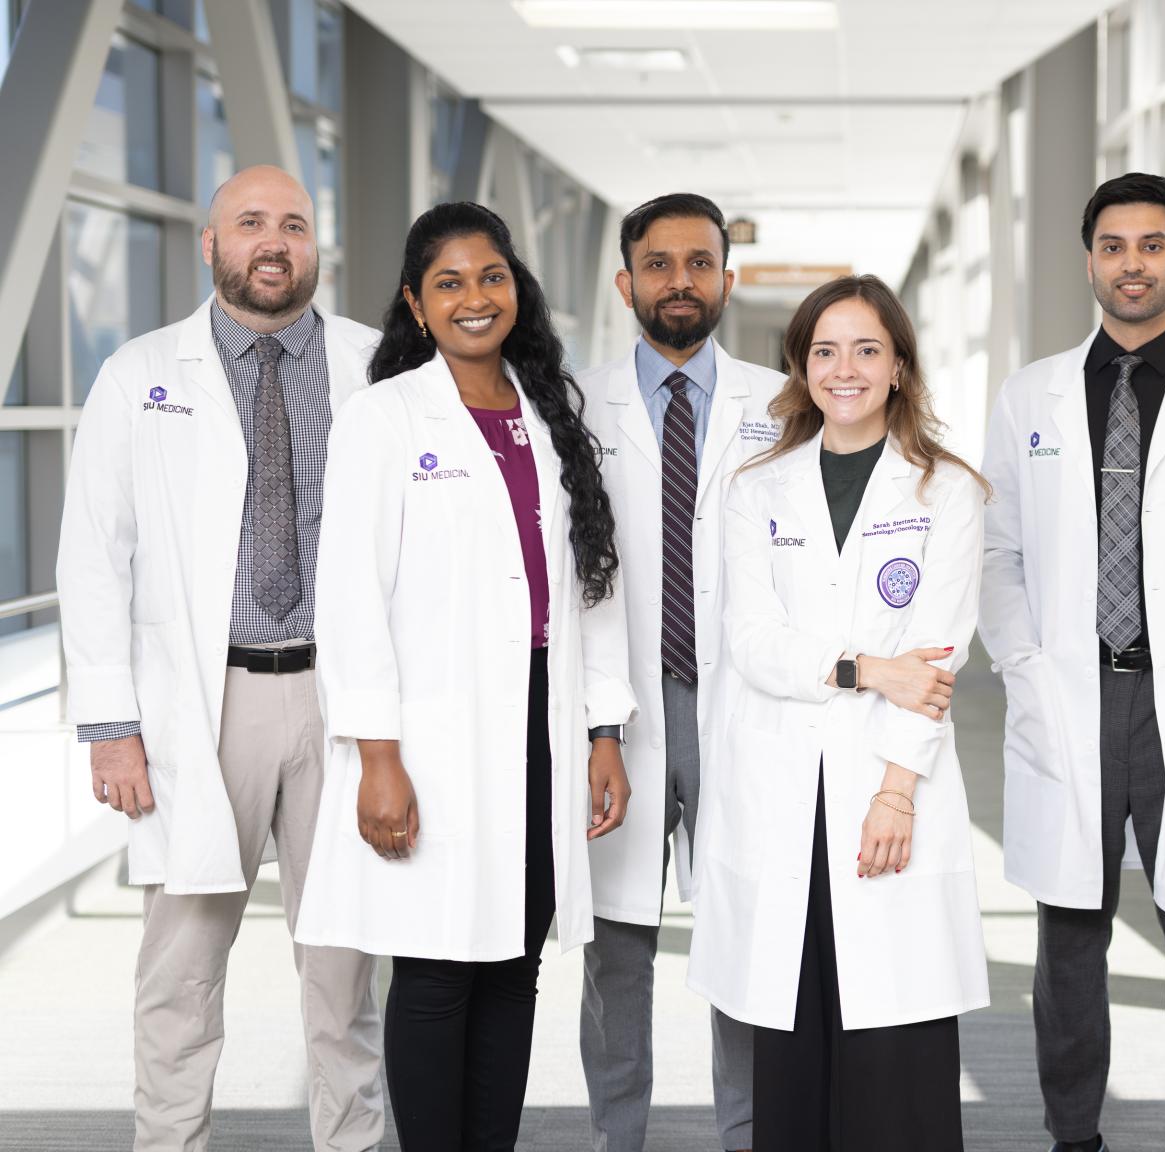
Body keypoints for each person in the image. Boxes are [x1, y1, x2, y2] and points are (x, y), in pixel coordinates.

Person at [292, 201, 636, 1152]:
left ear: (516, 288)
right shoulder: (385, 417)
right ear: (416, 303)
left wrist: (604, 731)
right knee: (438, 965)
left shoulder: (550, 413)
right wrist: (378, 757)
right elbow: (350, 598)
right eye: (449, 283)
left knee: (515, 963)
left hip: (544, 719)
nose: (474, 298)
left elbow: (593, 587)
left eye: (491, 277)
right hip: (435, 732)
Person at [55, 164, 384, 1152]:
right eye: (250, 223)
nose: (273, 242)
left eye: (293, 224)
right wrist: (111, 728)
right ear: (211, 244)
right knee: (181, 973)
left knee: (345, 972)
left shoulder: (377, 367)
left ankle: (353, 1143)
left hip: (342, 701)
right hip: (205, 705)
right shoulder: (140, 374)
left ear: (315, 246)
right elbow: (93, 554)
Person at [978, 173, 1165, 1152]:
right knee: (1068, 944)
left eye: (1150, 245)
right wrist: (1024, 665)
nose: (1131, 264)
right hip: (1073, 692)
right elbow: (998, 553)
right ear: (1088, 259)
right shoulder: (1031, 395)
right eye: (1112, 246)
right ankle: (1074, 1137)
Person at [687, 274, 990, 1151]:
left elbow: (934, 663)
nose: (844, 369)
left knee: (895, 1035)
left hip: (889, 782)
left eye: (866, 349)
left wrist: (896, 793)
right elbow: (753, 641)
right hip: (780, 782)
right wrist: (865, 669)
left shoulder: (946, 491)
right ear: (801, 367)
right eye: (824, 351)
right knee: (794, 1024)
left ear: (899, 366)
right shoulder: (756, 488)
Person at [576, 192, 783, 1152]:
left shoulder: (779, 406)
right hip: (619, 708)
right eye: (658, 264)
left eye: (699, 263)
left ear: (727, 280)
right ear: (626, 284)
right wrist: (597, 720)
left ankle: (748, 1134)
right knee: (617, 950)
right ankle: (618, 1137)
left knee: (743, 934)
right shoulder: (574, 406)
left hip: (742, 705)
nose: (680, 282)